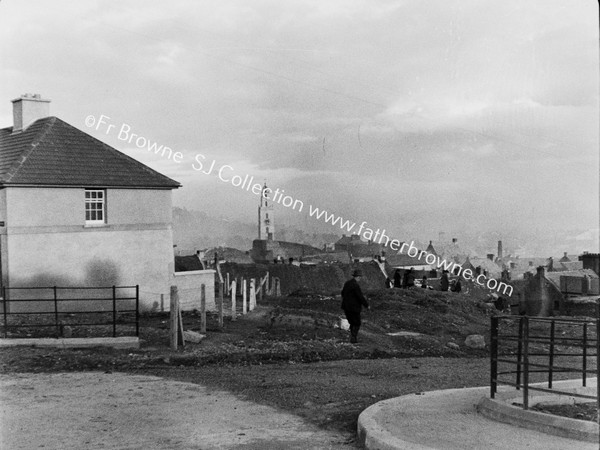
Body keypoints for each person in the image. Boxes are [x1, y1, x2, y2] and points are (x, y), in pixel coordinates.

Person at [341, 269, 370, 343]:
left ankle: (352, 337)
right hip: (354, 308)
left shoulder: (347, 283)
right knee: (357, 323)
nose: (360, 278)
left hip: (346, 307)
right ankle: (353, 338)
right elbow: (360, 297)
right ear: (358, 277)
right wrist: (366, 305)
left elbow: (342, 293)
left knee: (352, 322)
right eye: (360, 277)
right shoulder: (355, 285)